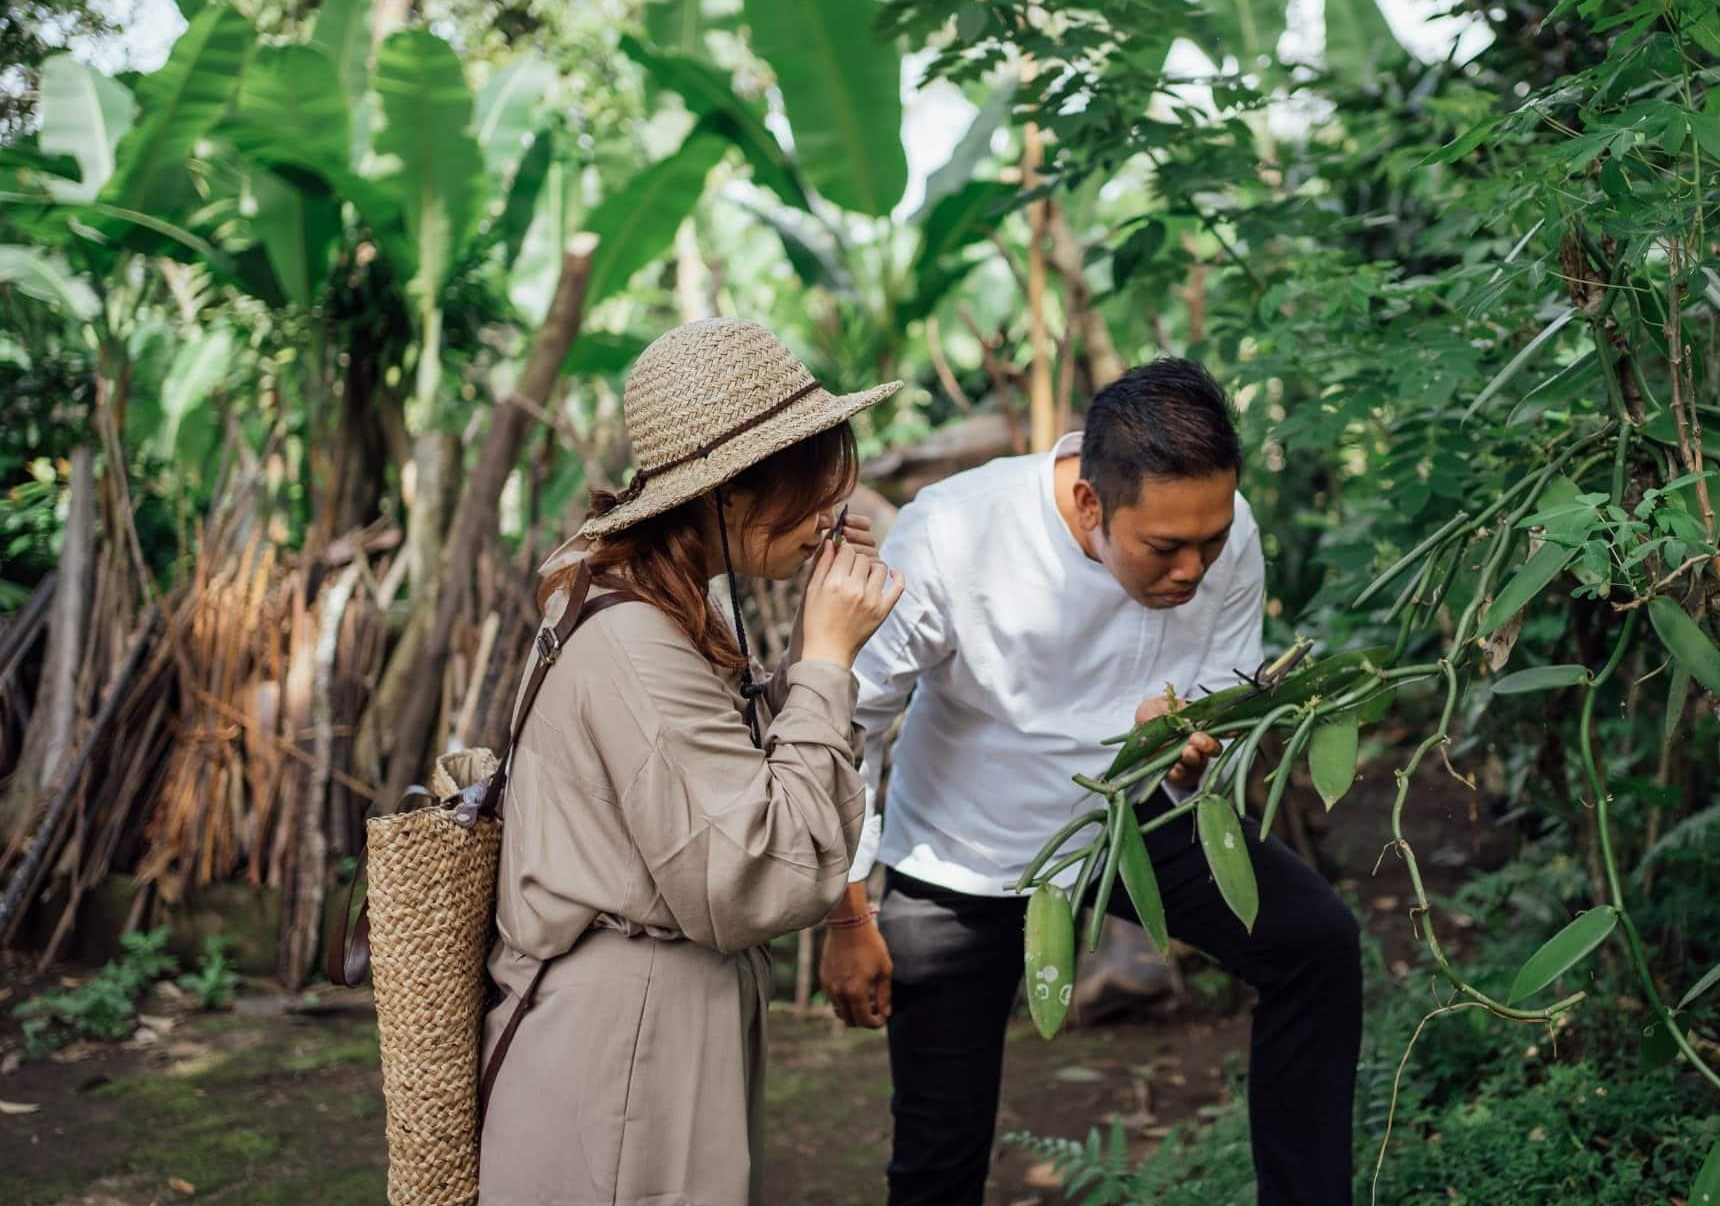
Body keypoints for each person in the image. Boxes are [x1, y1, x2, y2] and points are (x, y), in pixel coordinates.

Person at [820, 358, 1364, 1206]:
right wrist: (850, 907)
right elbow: (848, 719)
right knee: (940, 1148)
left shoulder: (1228, 529)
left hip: (1140, 817)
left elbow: (1230, 680)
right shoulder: (953, 533)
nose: (1193, 569)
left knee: (1317, 945)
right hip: (967, 846)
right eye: (1165, 548)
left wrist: (1191, 737)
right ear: (1088, 504)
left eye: (1209, 544)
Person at [478, 319, 906, 1206]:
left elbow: (734, 794)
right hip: (629, 1043)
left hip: (645, 1019)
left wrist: (818, 664)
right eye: (812, 492)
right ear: (731, 494)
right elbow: (752, 876)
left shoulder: (645, 596)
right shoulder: (637, 638)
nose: (833, 518)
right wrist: (825, 664)